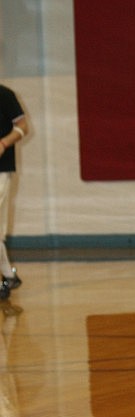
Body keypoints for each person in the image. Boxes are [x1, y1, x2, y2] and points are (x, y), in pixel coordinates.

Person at [0, 83, 28, 300]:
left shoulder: (5, 94)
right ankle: (9, 275)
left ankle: (3, 281)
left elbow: (23, 126)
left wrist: (4, 142)